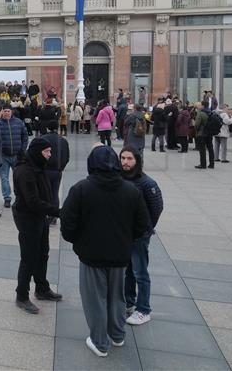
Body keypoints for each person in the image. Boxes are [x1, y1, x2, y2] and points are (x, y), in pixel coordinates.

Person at [61, 145, 151, 358]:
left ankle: (100, 342)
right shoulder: (131, 190)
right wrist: (127, 240)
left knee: (95, 299)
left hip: (91, 256)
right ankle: (117, 335)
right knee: (117, 297)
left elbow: (68, 224)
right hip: (120, 255)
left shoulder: (81, 189)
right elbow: (143, 225)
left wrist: (78, 241)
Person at [12, 137, 62, 314]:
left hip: (39, 216)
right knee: (29, 257)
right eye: (46, 151)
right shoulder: (25, 171)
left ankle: (42, 288)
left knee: (43, 253)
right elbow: (32, 201)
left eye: (50, 151)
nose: (50, 155)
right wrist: (58, 212)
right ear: (36, 152)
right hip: (27, 218)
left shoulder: (37, 166)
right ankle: (22, 296)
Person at [120, 147, 163, 327]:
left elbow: (157, 208)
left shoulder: (147, 183)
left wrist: (146, 229)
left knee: (140, 272)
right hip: (125, 234)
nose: (125, 162)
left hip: (139, 236)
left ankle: (144, 309)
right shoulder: (120, 178)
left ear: (137, 160)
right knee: (128, 270)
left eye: (129, 159)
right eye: (122, 158)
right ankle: (129, 301)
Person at [0, 105, 29, 209]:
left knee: (18, 178)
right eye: (5, 111)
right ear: (2, 112)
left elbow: (25, 136)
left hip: (17, 155)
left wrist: (23, 149)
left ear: (11, 112)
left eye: (8, 111)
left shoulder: (18, 122)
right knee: (4, 178)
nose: (7, 113)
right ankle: (7, 198)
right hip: (3, 156)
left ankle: (19, 197)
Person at [42, 120, 70, 225]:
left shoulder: (43, 139)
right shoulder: (63, 141)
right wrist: (61, 167)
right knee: (54, 193)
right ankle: (53, 215)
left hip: (44, 170)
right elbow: (67, 157)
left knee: (44, 192)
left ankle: (45, 213)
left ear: (48, 128)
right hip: (57, 171)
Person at [193, 102, 215, 169]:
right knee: (210, 149)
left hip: (202, 133)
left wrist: (197, 130)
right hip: (209, 133)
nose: (199, 106)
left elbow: (197, 124)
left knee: (202, 150)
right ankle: (211, 164)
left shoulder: (201, 113)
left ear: (203, 106)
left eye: (200, 105)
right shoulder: (211, 112)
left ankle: (203, 164)